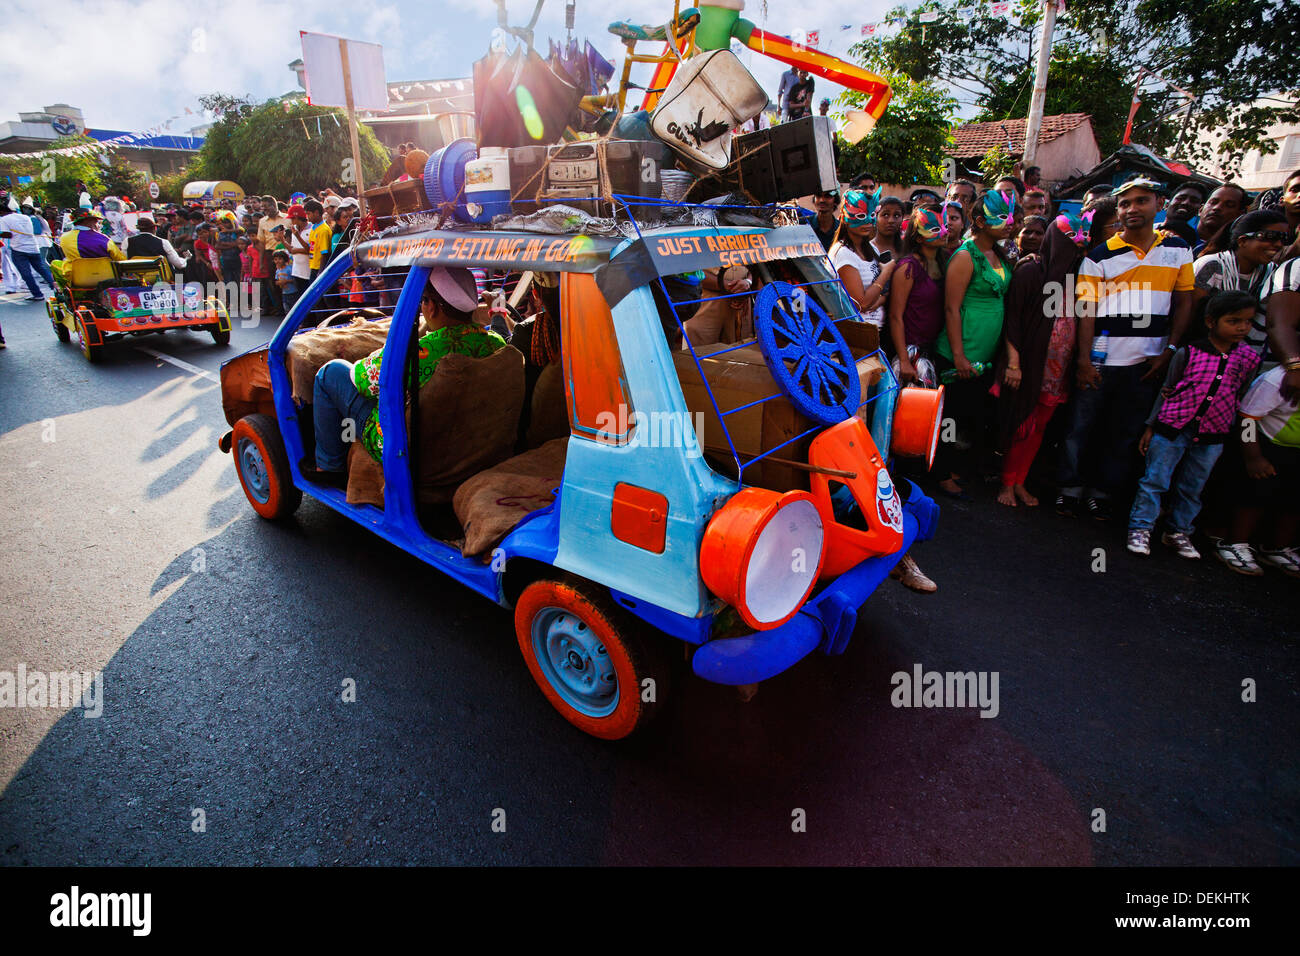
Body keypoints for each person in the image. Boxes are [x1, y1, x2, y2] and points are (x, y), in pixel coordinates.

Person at [1057, 178, 1195, 521]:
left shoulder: (1178, 251)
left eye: (1141, 201)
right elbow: (1086, 311)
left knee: (1125, 431)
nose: (1132, 209)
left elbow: (1184, 302)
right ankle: (1069, 489)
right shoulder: (1100, 255)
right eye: (1125, 203)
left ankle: (1102, 493)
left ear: (1159, 204)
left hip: (1148, 360)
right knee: (1080, 427)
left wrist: (1170, 350)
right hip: (1103, 358)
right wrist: (1085, 360)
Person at [308, 267, 507, 485]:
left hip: (403, 445)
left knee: (331, 372)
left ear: (431, 308)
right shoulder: (496, 343)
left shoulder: (421, 354)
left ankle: (328, 467)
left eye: (423, 300)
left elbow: (363, 380)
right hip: (470, 439)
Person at [1126, 290, 1260, 558]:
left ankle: (1178, 531)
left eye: (1248, 322)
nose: (1242, 328)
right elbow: (1168, 389)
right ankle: (1140, 528)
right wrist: (1152, 426)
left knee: (1193, 485)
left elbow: (1241, 394)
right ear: (1211, 322)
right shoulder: (1189, 353)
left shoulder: (1248, 359)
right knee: (1155, 480)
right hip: (1172, 427)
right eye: (1234, 321)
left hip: (1214, 433)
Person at [996, 211, 1089, 508]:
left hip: (1057, 368)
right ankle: (1007, 483)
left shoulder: (1076, 276)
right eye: (1067, 240)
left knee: (1038, 429)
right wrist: (1014, 363)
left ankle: (1021, 481)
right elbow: (1012, 321)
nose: (1072, 247)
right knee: (1021, 424)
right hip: (1029, 365)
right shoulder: (1030, 271)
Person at [934, 189, 1015, 497]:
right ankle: (941, 473)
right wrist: (958, 356)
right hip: (960, 352)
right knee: (950, 417)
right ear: (980, 221)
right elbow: (951, 308)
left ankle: (955, 467)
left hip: (985, 353)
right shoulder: (966, 256)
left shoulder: (999, 253)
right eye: (1001, 217)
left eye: (1011, 216)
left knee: (970, 415)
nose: (1010, 222)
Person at [1222, 357, 1300, 575]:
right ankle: (1235, 543)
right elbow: (1247, 418)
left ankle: (1278, 548)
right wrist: (1253, 457)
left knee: (1294, 500)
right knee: (1257, 493)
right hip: (1265, 444)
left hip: (1296, 449)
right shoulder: (1277, 379)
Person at [1192, 208, 1288, 357]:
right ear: (1242, 240)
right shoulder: (1213, 265)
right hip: (1199, 349)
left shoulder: (1273, 272)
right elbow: (1190, 313)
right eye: (1270, 237)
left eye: (1283, 239)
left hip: (1240, 354)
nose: (1278, 244)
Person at [887, 206, 949, 386]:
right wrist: (905, 360)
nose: (944, 232)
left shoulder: (946, 261)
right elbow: (895, 316)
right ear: (919, 236)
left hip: (937, 350)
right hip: (912, 355)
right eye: (936, 229)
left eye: (944, 226)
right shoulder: (908, 267)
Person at [829, 189, 894, 329]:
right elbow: (861, 304)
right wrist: (886, 273)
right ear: (844, 218)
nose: (867, 221)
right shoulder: (843, 254)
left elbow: (885, 293)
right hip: (859, 336)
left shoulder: (872, 249)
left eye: (871, 215)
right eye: (860, 216)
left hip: (878, 330)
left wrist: (874, 302)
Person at [1, 203, 56, 299]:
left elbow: (8, 235)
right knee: (41, 269)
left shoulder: (4, 219)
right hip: (33, 247)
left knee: (26, 273)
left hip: (19, 248)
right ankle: (56, 288)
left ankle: (37, 294)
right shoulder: (25, 217)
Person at [1195, 183, 1249, 255]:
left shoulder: (1233, 255)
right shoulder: (1177, 239)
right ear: (1200, 209)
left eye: (1229, 205)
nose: (1217, 208)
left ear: (1239, 215)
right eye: (1213, 202)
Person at [123, 216, 187, 271]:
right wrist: (186, 258)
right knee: (179, 272)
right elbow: (179, 265)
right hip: (161, 277)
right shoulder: (163, 242)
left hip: (136, 276)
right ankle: (179, 285)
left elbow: (124, 260)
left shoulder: (127, 241)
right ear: (154, 228)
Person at [285, 204, 313, 296]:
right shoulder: (294, 230)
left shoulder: (312, 229)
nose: (292, 221)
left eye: (293, 219)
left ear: (297, 217)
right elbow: (291, 249)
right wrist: (282, 239)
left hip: (309, 271)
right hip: (297, 271)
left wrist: (297, 250)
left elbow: (311, 250)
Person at [305, 199, 332, 282]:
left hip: (319, 269)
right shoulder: (314, 228)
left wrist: (320, 272)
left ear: (316, 212)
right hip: (313, 267)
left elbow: (324, 253)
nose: (307, 217)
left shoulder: (323, 230)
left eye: (308, 214)